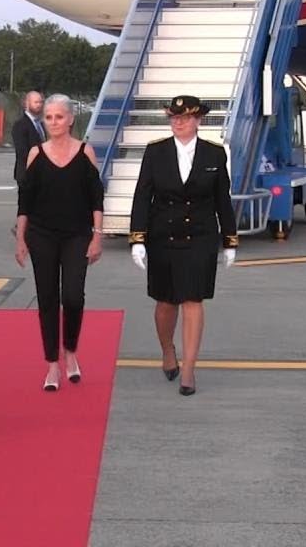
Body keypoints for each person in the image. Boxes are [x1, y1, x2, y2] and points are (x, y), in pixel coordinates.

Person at [129, 95, 237, 397]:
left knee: (193, 300)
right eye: (174, 118)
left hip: (200, 237)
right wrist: (138, 239)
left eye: (186, 118)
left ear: (198, 120)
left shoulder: (215, 155)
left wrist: (230, 240)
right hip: (164, 234)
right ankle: (167, 349)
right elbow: (142, 196)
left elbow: (222, 200)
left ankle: (189, 367)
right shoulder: (155, 152)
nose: (179, 123)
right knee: (166, 302)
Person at [15, 94, 104, 391]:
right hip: (41, 235)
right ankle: (52, 363)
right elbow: (25, 202)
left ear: (70, 119)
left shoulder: (85, 153)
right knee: (48, 298)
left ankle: (71, 350)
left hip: (77, 235)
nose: (54, 122)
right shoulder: (35, 154)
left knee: (74, 297)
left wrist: (97, 236)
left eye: (59, 117)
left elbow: (96, 200)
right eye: (49, 117)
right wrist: (20, 239)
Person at [12, 90, 45, 185]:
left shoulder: (40, 124)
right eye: (36, 102)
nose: (39, 105)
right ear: (27, 103)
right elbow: (22, 152)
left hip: (41, 174)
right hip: (27, 175)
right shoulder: (20, 125)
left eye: (41, 102)